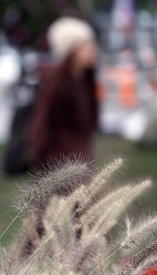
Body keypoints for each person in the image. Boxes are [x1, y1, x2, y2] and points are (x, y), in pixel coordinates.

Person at [27, 17, 99, 167]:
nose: (92, 51)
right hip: (60, 163)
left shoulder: (85, 81)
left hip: (81, 159)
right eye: (85, 47)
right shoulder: (57, 84)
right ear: (71, 52)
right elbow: (43, 125)